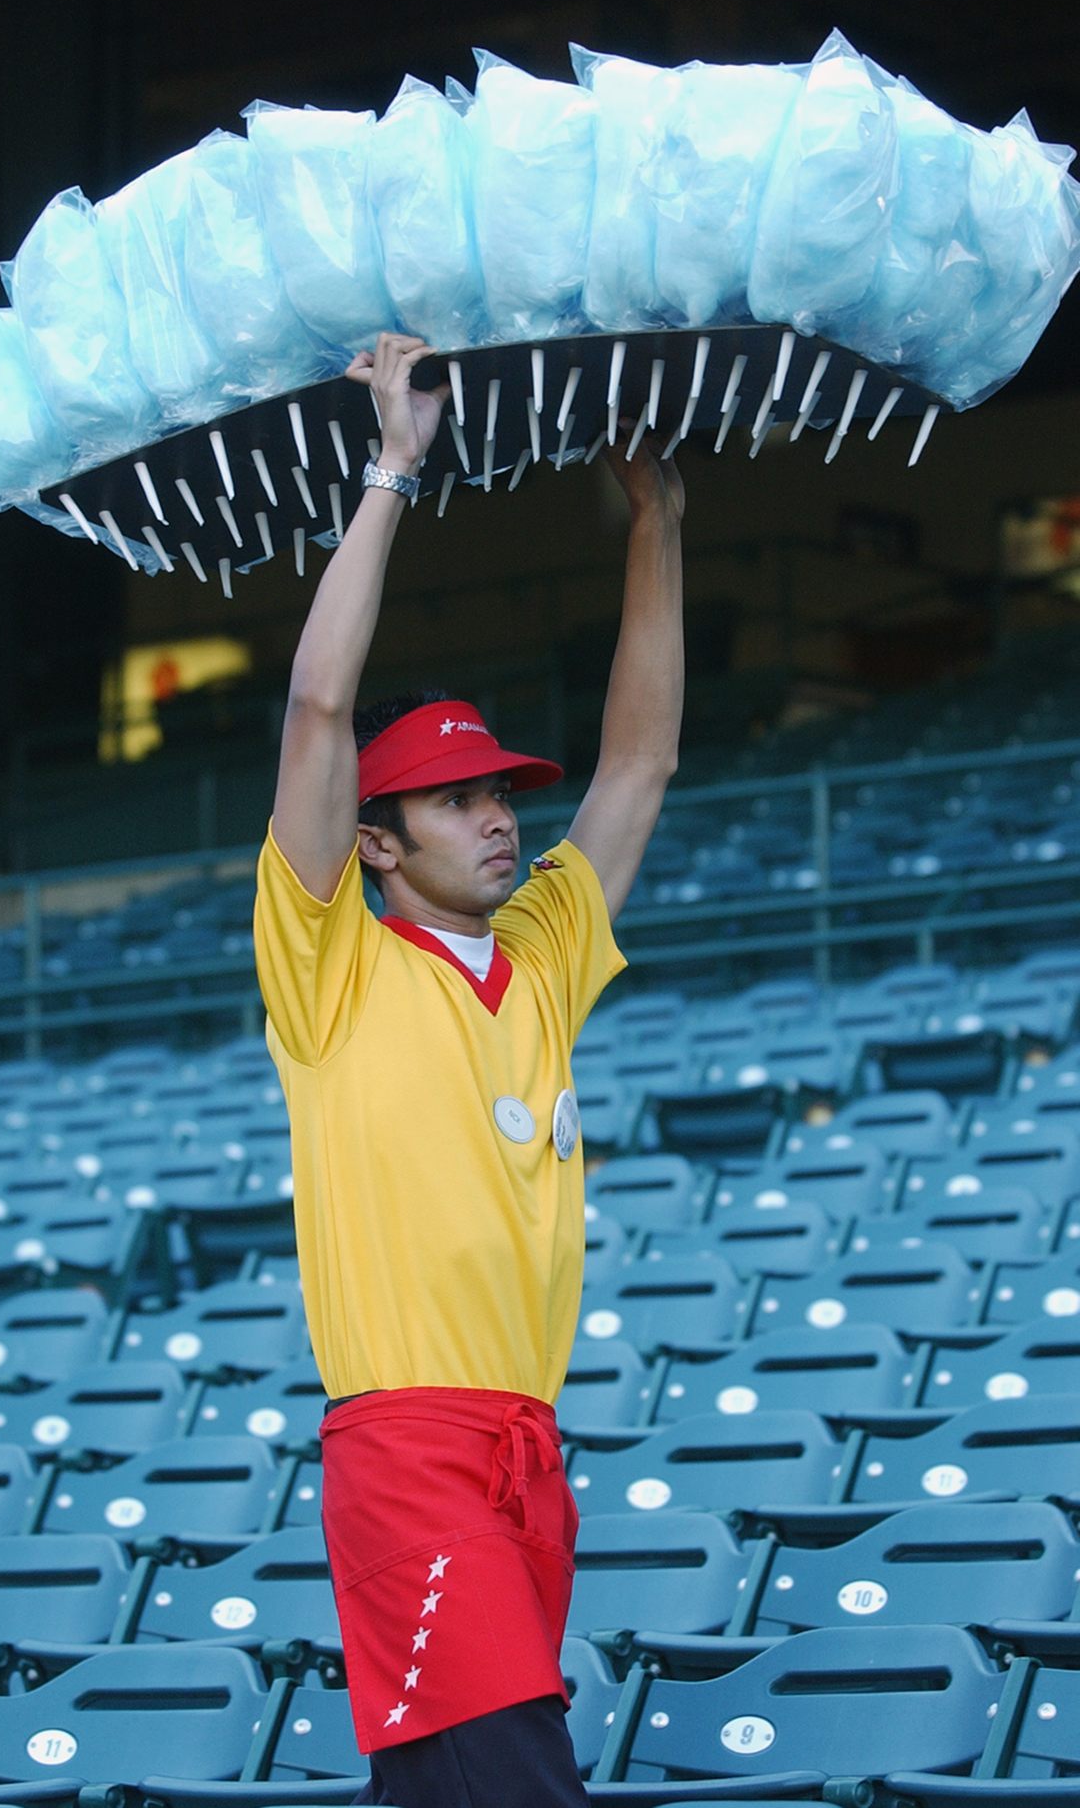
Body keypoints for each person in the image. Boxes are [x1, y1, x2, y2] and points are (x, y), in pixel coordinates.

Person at [253, 331, 685, 1807]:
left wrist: (657, 528)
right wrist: (392, 469)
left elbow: (635, 768)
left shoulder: (548, 956)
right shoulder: (331, 967)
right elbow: (318, 710)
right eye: (452, 801)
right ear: (379, 842)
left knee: (460, 1785)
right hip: (410, 1449)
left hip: (527, 1449)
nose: (496, 818)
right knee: (515, 1778)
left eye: (500, 792)